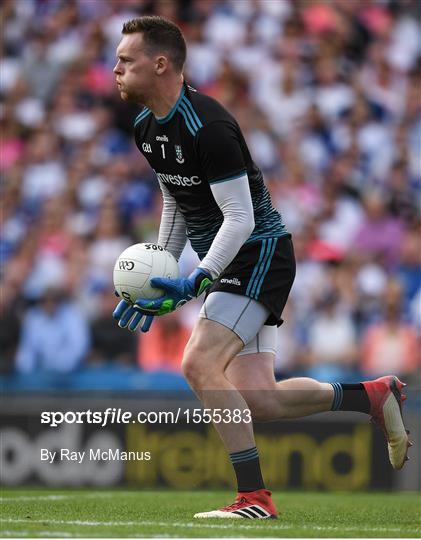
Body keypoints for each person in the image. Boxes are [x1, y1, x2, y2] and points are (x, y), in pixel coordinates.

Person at [112, 16, 411, 519]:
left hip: (258, 251)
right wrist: (158, 269)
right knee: (260, 401)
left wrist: (198, 277)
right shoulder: (146, 126)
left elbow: (241, 216)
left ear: (159, 63)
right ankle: (373, 396)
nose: (115, 69)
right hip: (234, 260)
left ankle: (254, 497)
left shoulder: (209, 125)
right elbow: (176, 196)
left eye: (126, 60)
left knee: (198, 363)